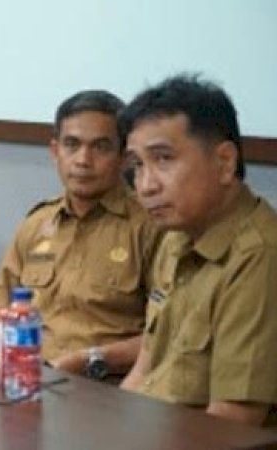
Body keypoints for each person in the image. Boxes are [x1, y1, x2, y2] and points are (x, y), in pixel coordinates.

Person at [119, 75, 277, 426]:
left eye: (163, 159)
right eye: (137, 166)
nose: (145, 185)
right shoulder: (176, 235)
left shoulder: (260, 256)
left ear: (224, 162)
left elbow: (233, 423)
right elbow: (146, 367)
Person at [0, 90, 160, 379]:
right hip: (27, 376)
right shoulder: (37, 223)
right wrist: (15, 353)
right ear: (55, 152)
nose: (83, 160)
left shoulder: (151, 227)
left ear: (125, 157)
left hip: (104, 386)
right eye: (71, 145)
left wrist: (90, 360)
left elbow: (166, 337)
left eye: (100, 147)